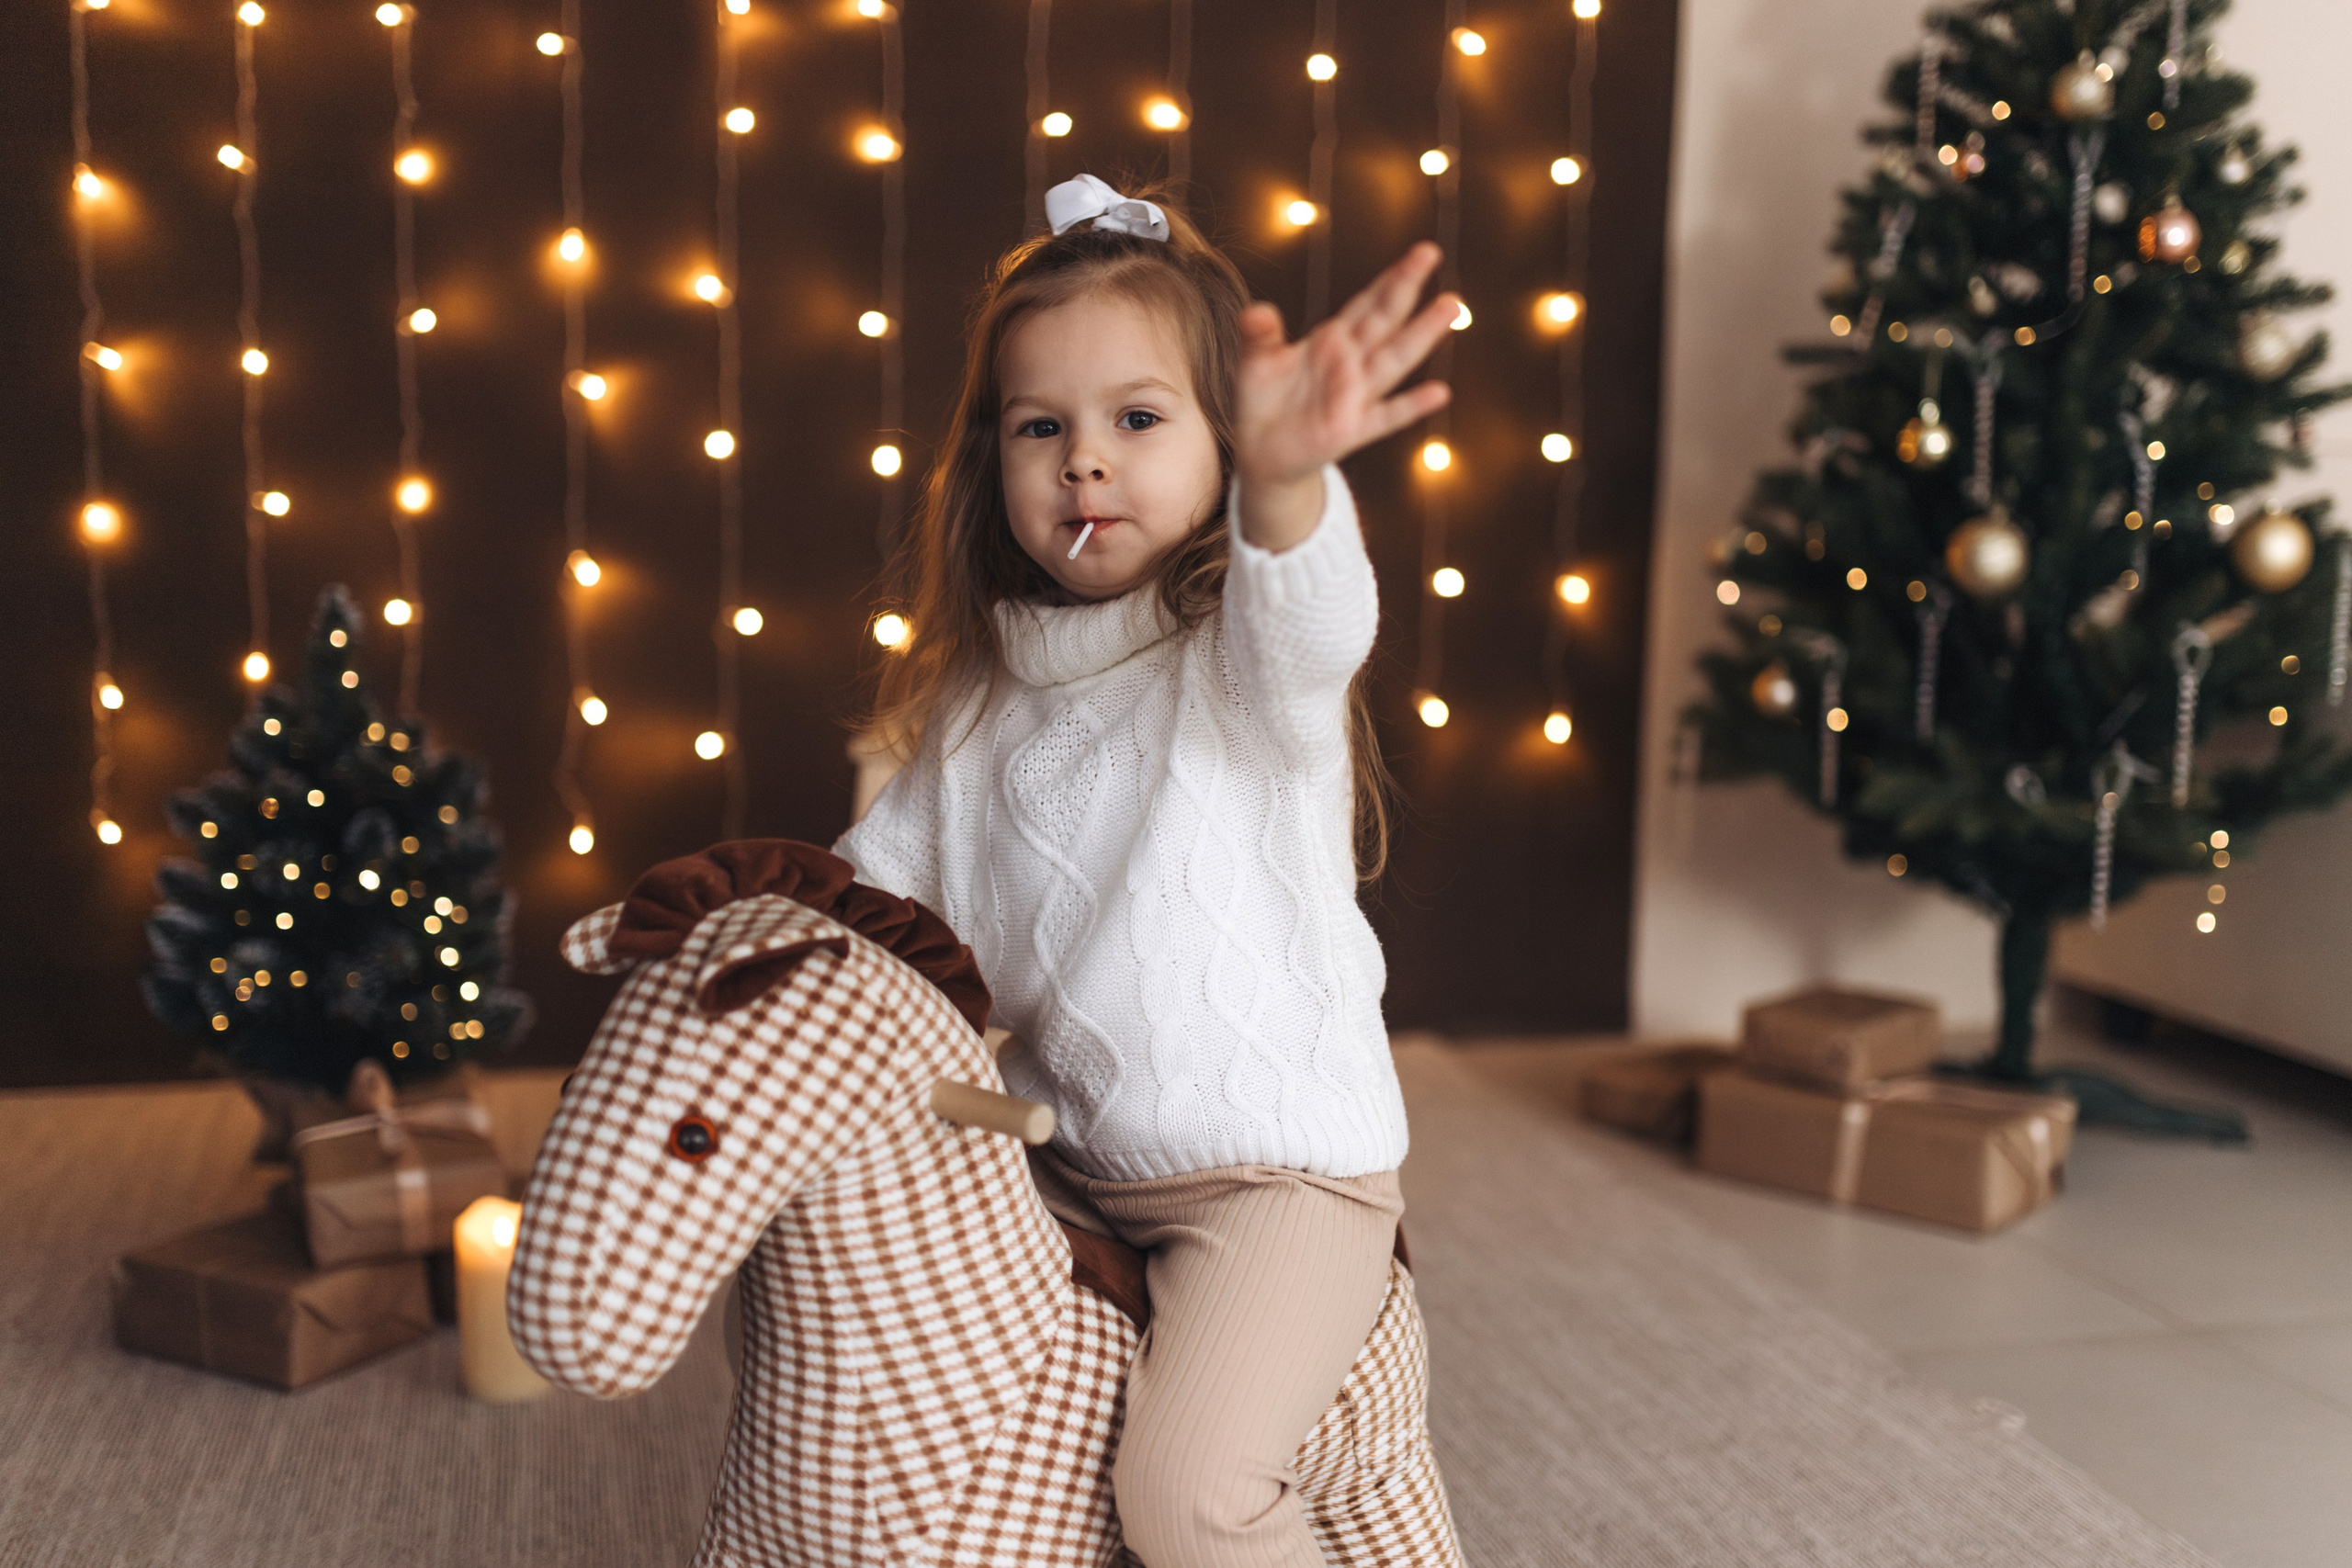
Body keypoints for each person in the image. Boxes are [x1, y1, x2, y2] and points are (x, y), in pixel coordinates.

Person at [832, 171, 1458, 1568]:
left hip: (1272, 1182)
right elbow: (874, 909)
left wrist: (1290, 480)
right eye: (1038, 426)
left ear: (1220, 447)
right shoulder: (982, 705)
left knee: (1184, 1495)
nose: (1084, 462)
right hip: (1068, 1165)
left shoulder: (1237, 666)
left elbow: (1314, 622)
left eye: (1137, 419)